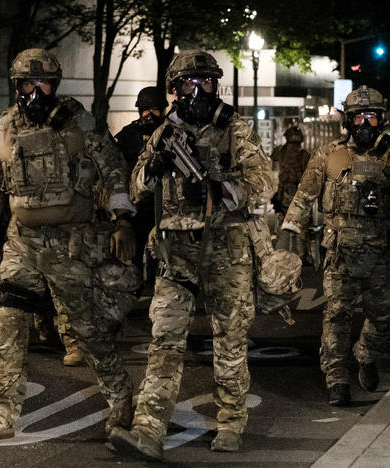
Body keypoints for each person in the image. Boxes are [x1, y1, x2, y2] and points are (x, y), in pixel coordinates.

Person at [0, 48, 139, 443]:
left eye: (43, 83)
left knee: (87, 329)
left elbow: (112, 167)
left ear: (54, 85)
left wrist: (122, 219)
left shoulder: (78, 123)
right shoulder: (4, 128)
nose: (35, 91)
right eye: (27, 83)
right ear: (16, 86)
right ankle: (0, 416)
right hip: (20, 245)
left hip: (69, 246)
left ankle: (122, 400)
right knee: (6, 324)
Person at [108, 50, 274, 460]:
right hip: (176, 253)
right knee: (164, 341)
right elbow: (136, 187)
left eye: (206, 83)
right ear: (175, 90)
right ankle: (148, 429)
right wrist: (154, 167)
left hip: (226, 252)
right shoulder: (164, 132)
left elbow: (265, 182)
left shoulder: (236, 130)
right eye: (189, 84)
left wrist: (221, 190)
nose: (198, 91)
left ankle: (231, 421)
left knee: (230, 341)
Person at [280, 86, 390, 406]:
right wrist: (290, 231)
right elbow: (304, 196)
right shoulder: (327, 155)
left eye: (372, 117)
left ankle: (365, 353)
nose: (365, 124)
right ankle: (337, 376)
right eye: (358, 118)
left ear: (383, 121)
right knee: (336, 315)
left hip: (380, 251)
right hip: (340, 252)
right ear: (347, 121)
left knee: (383, 316)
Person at [114, 86, 168, 283]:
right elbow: (115, 166)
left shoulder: (170, 132)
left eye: (155, 109)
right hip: (137, 204)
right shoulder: (128, 134)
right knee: (133, 251)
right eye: (145, 109)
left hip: (164, 204)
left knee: (161, 252)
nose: (149, 114)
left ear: (163, 109)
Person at [271, 126, 311, 260]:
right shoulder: (304, 154)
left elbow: (273, 158)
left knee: (283, 225)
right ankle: (301, 255)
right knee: (300, 226)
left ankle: (280, 253)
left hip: (285, 193)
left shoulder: (281, 151)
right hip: (296, 193)